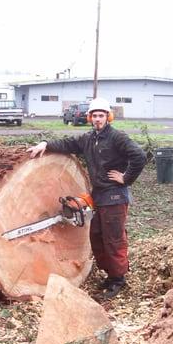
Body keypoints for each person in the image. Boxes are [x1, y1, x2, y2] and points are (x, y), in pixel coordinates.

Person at [27, 97, 147, 298]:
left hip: (115, 196)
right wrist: (45, 144)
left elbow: (139, 156)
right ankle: (110, 274)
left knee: (113, 239)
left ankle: (118, 279)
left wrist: (125, 178)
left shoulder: (117, 137)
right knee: (97, 237)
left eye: (102, 115)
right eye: (95, 116)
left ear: (108, 117)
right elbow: (68, 143)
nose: (98, 119)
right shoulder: (90, 139)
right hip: (99, 196)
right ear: (90, 118)